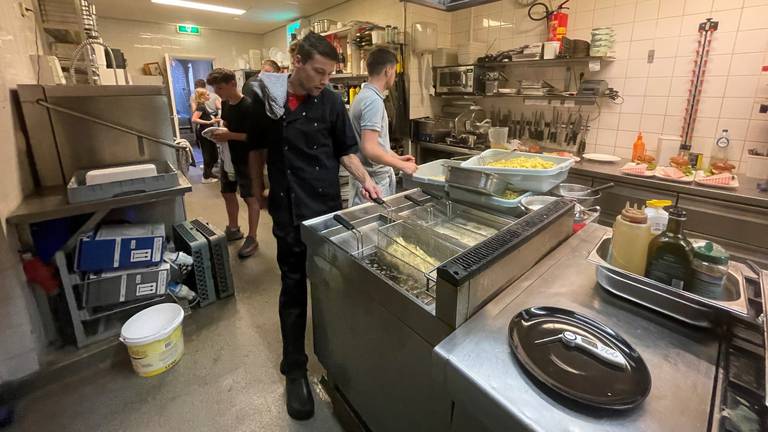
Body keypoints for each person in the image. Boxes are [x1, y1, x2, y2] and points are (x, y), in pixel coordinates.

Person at [248, 32, 381, 421]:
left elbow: (345, 149)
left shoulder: (332, 101)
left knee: (328, 283)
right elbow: (255, 151)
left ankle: (336, 356)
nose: (325, 81)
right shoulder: (267, 101)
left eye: (329, 74)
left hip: (325, 210)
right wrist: (256, 192)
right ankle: (295, 369)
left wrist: (365, 179)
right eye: (319, 73)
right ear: (297, 61)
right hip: (288, 209)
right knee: (293, 287)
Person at [205, 69, 263, 258]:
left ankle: (253, 237)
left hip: (247, 159)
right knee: (227, 193)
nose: (218, 92)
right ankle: (233, 228)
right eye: (215, 88)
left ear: (233, 84)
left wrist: (229, 135)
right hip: (229, 157)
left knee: (250, 198)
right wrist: (220, 132)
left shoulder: (249, 106)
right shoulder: (225, 103)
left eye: (220, 87)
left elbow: (256, 137)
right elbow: (227, 124)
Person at [348, 48, 416, 206]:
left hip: (368, 182)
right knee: (374, 229)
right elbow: (369, 148)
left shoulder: (364, 96)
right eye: (394, 72)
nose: (394, 76)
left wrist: (396, 157)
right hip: (373, 185)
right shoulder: (373, 101)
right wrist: (402, 165)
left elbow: (377, 144)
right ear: (388, 70)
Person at [190, 88, 219, 183]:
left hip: (207, 132)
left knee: (213, 154)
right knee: (208, 154)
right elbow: (194, 119)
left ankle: (209, 173)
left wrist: (213, 119)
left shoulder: (203, 106)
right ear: (202, 97)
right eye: (207, 95)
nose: (209, 96)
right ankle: (206, 177)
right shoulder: (201, 107)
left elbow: (205, 116)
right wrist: (209, 121)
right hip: (204, 133)